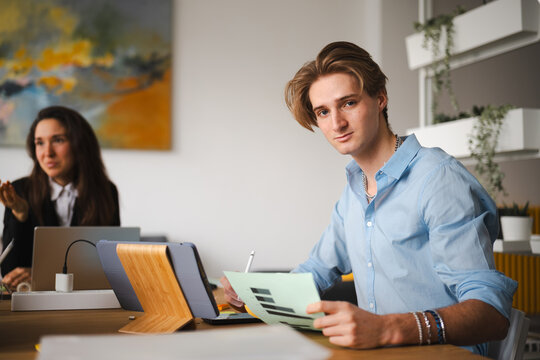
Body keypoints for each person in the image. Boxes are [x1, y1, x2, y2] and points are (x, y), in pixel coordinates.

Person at [221, 42, 517, 355]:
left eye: (348, 103)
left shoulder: (438, 180)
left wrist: (389, 328)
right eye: (323, 112)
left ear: (380, 99)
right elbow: (315, 272)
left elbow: (491, 313)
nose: (336, 123)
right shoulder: (353, 191)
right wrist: (252, 293)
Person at [0, 106, 120, 290]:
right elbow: (9, 273)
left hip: (86, 300)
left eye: (58, 140)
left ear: (79, 144)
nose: (47, 153)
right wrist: (20, 214)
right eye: (39, 142)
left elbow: (108, 266)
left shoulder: (105, 191)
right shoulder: (20, 190)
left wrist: (41, 274)